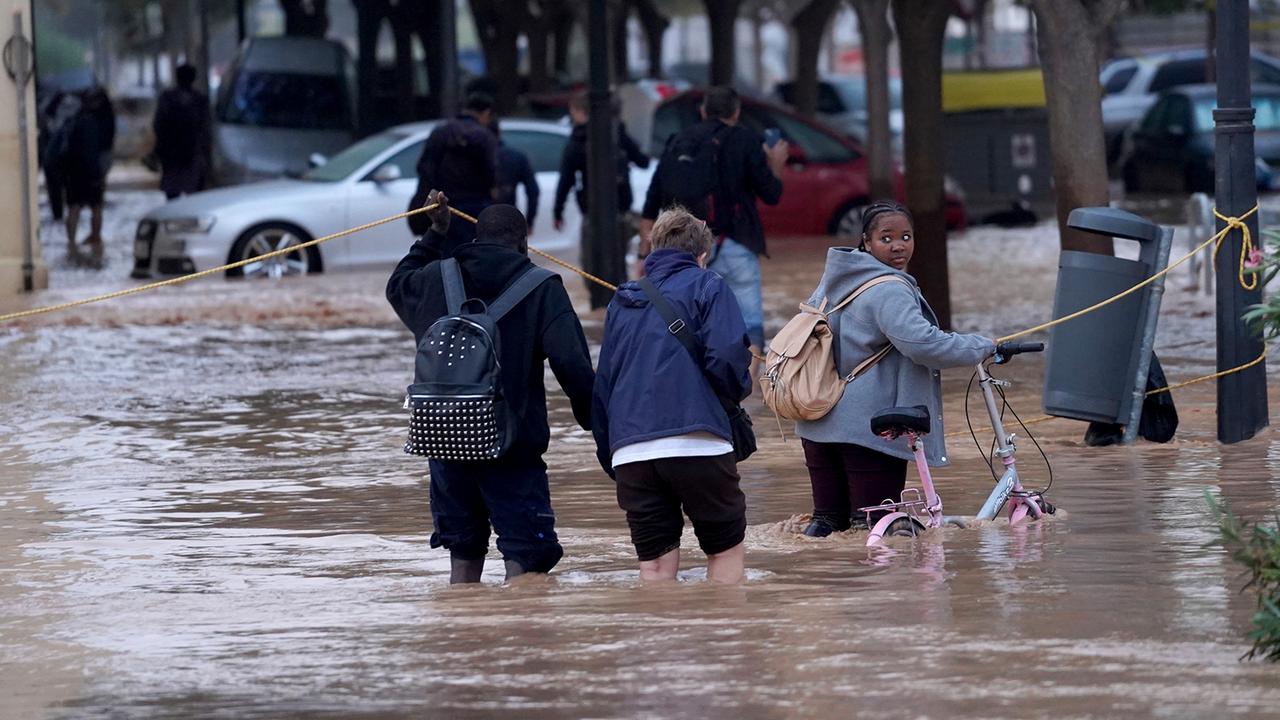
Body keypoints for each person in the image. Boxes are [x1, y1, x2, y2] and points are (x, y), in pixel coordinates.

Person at [385, 191, 595, 584]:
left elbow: (396, 285)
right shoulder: (542, 287)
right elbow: (573, 366)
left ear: (477, 237)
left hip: (446, 443)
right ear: (524, 243)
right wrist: (597, 425)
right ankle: (517, 640)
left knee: (463, 552)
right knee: (527, 559)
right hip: (512, 449)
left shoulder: (435, 277)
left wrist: (434, 235)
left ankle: (465, 635)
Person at [794, 201, 995, 537]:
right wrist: (983, 346)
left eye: (906, 236)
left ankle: (821, 588)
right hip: (869, 429)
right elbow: (924, 344)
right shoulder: (889, 288)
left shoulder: (832, 283)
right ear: (866, 242)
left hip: (817, 424)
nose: (898, 245)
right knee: (875, 531)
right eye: (886, 238)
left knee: (827, 528)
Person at [592, 207, 753, 584]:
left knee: (655, 568)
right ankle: (727, 639)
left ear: (652, 250)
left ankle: (661, 638)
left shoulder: (622, 300)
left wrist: (612, 453)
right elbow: (727, 360)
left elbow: (604, 384)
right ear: (702, 256)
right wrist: (735, 396)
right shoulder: (708, 285)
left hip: (632, 452)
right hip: (699, 444)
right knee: (724, 551)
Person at [640, 86, 787, 360]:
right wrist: (775, 165)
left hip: (683, 250)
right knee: (749, 323)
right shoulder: (745, 140)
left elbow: (651, 204)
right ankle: (749, 392)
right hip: (735, 242)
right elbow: (772, 194)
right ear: (737, 112)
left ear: (703, 111)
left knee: (689, 322)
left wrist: (643, 255)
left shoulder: (678, 140)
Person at [552, 90, 651, 310]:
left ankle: (601, 305)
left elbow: (566, 179)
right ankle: (624, 306)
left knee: (591, 264)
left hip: (593, 214)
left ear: (580, 112)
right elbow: (643, 161)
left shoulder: (578, 140)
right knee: (619, 264)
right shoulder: (617, 134)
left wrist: (557, 211)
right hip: (621, 211)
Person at [406, 93, 498, 253]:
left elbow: (425, 168)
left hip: (442, 205)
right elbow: (492, 174)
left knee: (443, 256)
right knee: (471, 254)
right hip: (474, 207)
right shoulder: (484, 136)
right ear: (486, 113)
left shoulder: (439, 132)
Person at [62, 86, 115, 249]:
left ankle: (75, 242)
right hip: (89, 170)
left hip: (75, 170)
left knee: (76, 207)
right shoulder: (99, 120)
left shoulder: (77, 119)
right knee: (93, 206)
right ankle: (93, 238)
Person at [153, 64, 211, 200]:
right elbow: (205, 129)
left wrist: (160, 147)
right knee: (194, 193)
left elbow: (158, 124)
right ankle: (190, 219)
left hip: (171, 153)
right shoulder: (200, 100)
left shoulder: (167, 98)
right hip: (193, 153)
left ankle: (174, 217)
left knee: (172, 193)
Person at [491, 121, 539, 234]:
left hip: (475, 217)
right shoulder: (516, 157)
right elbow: (533, 191)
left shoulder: (472, 158)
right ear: (499, 132)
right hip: (508, 216)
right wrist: (529, 220)